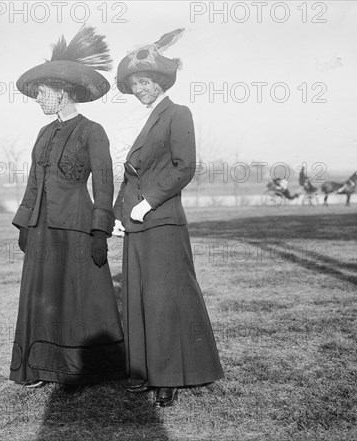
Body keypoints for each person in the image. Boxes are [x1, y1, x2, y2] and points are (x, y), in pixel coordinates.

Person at [113, 29, 224, 407]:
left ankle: (169, 377)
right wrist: (118, 213)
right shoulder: (142, 122)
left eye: (145, 81)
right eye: (134, 83)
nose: (140, 87)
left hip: (161, 221)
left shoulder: (178, 114)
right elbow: (131, 174)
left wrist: (149, 202)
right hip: (135, 224)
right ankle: (143, 371)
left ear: (159, 81)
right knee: (138, 298)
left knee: (164, 299)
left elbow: (184, 167)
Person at [9, 26, 125, 388]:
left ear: (61, 92)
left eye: (43, 92)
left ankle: (83, 368)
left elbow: (103, 184)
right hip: (42, 227)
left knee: (78, 298)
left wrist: (99, 231)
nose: (39, 98)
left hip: (75, 227)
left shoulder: (93, 131)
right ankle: (41, 369)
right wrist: (25, 223)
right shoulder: (43, 134)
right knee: (43, 299)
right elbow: (33, 181)